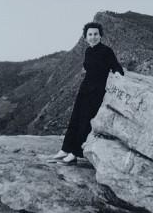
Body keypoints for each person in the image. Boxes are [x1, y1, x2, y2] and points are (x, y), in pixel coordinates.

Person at [51, 21, 125, 165]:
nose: (93, 37)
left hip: (97, 92)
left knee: (85, 121)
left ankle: (75, 153)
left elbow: (117, 67)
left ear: (100, 35)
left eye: (95, 34)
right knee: (75, 118)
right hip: (85, 88)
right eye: (90, 34)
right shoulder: (88, 51)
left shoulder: (106, 51)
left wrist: (117, 74)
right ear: (86, 37)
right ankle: (65, 149)